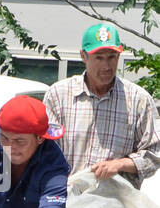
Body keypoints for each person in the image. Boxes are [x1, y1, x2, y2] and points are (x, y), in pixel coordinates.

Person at [42, 22, 160, 190]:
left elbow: (155, 153)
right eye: (99, 57)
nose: (106, 66)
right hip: (67, 201)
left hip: (116, 206)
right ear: (83, 56)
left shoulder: (137, 99)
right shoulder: (58, 95)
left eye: (112, 57)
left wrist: (120, 164)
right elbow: (44, 149)